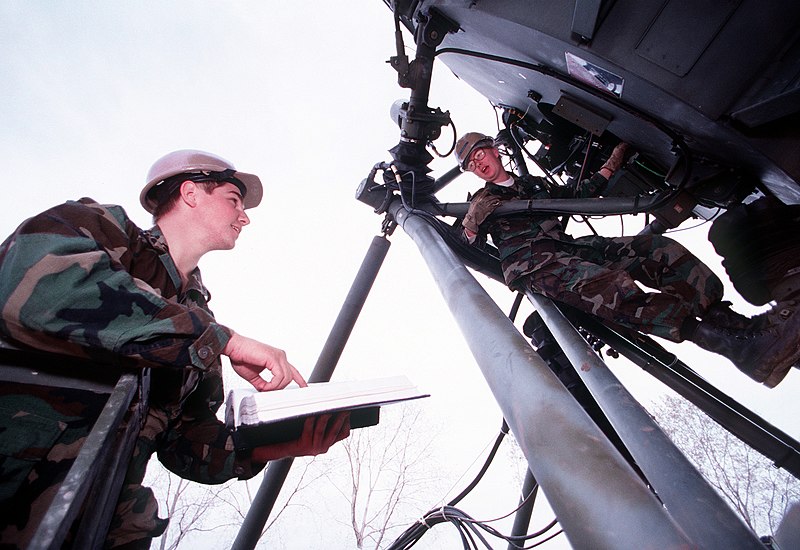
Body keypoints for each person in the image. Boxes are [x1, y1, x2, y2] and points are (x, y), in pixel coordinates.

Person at [0, 150, 350, 548]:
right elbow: (38, 289)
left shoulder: (198, 320)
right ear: (190, 193)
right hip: (15, 485)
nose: (245, 217)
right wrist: (224, 341)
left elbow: (184, 441)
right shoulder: (102, 230)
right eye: (234, 200)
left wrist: (282, 443)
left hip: (101, 519)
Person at [454, 132, 800, 388]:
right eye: (471, 164)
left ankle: (749, 333)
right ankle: (737, 348)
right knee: (615, 291)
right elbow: (461, 244)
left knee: (660, 252)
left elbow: (580, 194)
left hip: (571, 249)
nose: (479, 164)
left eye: (479, 154)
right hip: (536, 267)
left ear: (493, 150)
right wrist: (472, 222)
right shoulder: (483, 201)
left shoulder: (534, 185)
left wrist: (613, 160)